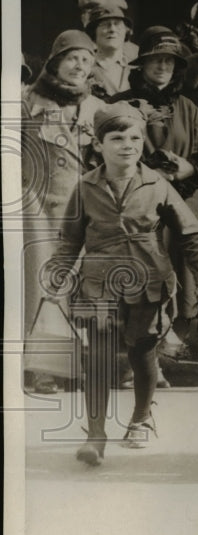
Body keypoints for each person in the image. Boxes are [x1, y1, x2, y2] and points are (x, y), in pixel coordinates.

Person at [53, 101, 198, 466]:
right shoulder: (84, 187)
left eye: (134, 138)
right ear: (99, 145)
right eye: (116, 138)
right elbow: (69, 239)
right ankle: (95, 435)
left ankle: (141, 419)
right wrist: (58, 273)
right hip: (97, 284)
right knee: (96, 357)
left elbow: (191, 234)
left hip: (149, 283)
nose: (127, 145)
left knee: (142, 352)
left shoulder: (157, 184)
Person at [111, 28, 198, 326]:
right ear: (141, 64)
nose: (162, 67)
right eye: (156, 60)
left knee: (184, 273)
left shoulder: (188, 106)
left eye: (169, 62)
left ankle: (182, 341)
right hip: (139, 204)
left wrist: (190, 168)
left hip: (182, 202)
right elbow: (109, 154)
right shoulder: (121, 104)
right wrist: (148, 174)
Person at [21, 30, 104, 394]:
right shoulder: (27, 102)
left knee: (75, 287)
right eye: (72, 57)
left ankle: (72, 365)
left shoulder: (95, 108)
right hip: (38, 205)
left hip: (80, 206)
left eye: (86, 61)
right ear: (55, 61)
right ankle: (42, 369)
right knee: (43, 285)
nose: (79, 66)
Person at [86, 4, 137, 100]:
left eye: (117, 24)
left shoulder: (137, 66)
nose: (112, 29)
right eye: (105, 24)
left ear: (126, 31)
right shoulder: (85, 65)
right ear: (94, 32)